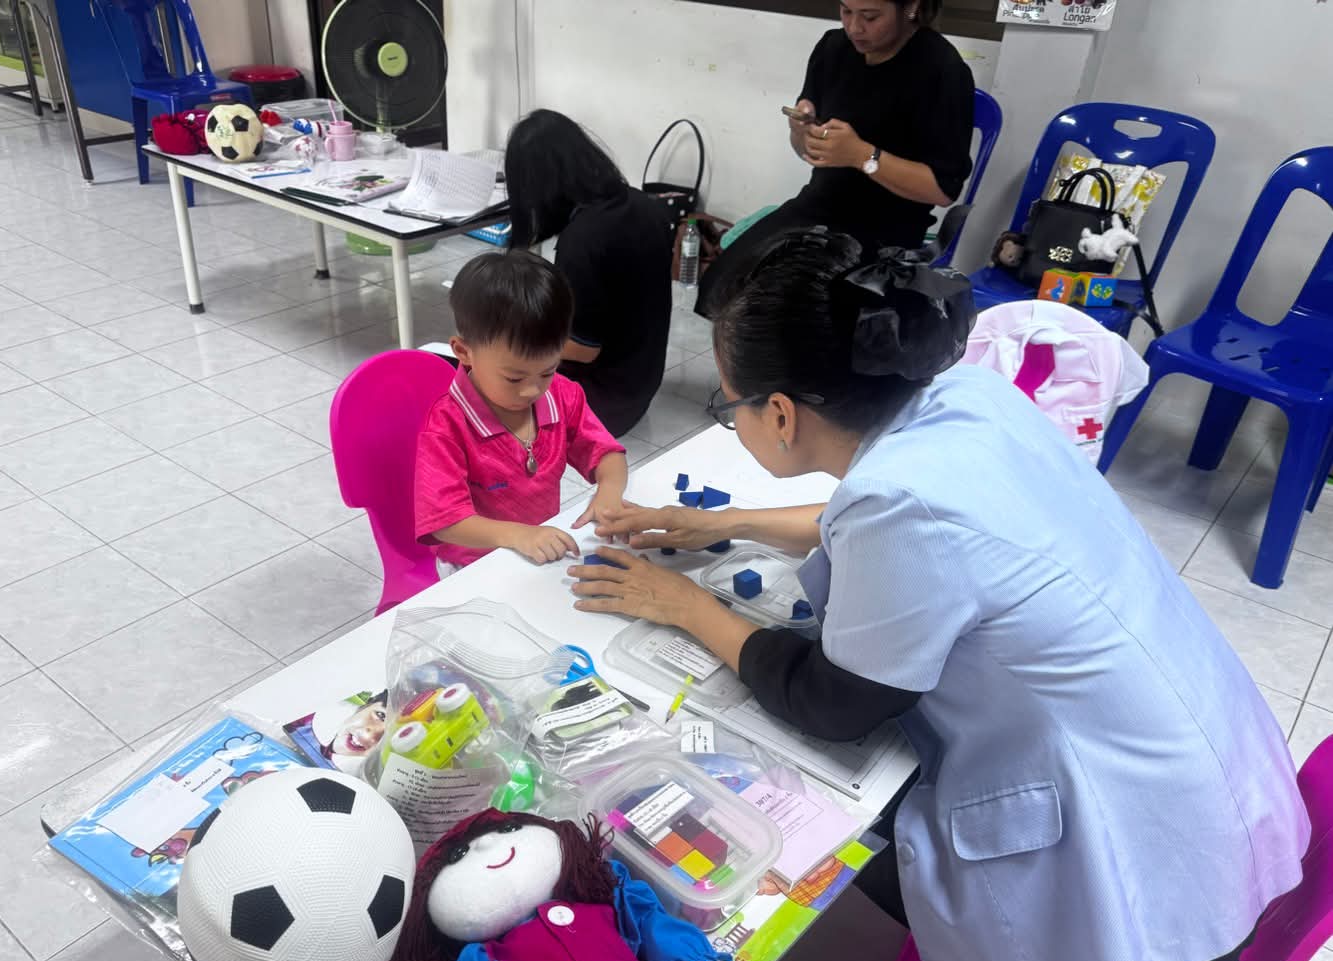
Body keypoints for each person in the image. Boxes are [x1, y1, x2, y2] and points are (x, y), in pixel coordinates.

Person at [568, 228, 1311, 961]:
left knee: (783, 798)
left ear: (779, 413)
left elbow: (832, 702)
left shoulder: (900, 503)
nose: (733, 420)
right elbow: (919, 519)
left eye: (730, 405)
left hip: (1145, 898)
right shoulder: (970, 396)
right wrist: (732, 522)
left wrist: (684, 605)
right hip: (1226, 808)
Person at [695, 0, 975, 318]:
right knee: (722, 285)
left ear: (910, 8)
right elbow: (807, 152)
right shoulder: (833, 48)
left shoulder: (942, 70)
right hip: (816, 208)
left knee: (801, 311)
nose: (854, 27)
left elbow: (942, 189)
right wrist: (801, 132)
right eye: (846, 11)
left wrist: (863, 156)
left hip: (885, 231)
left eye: (870, 17)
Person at [415, 251, 629, 571]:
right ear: (464, 351)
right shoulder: (447, 426)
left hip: (536, 550)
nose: (532, 390)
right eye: (514, 378)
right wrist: (518, 535)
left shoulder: (562, 395)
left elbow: (608, 454)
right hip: (472, 566)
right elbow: (445, 521)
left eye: (547, 371)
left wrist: (609, 492)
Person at [505, 109, 674, 437]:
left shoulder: (582, 241)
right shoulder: (644, 204)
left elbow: (583, 349)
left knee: (490, 368)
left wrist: (514, 340)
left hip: (600, 407)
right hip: (639, 387)